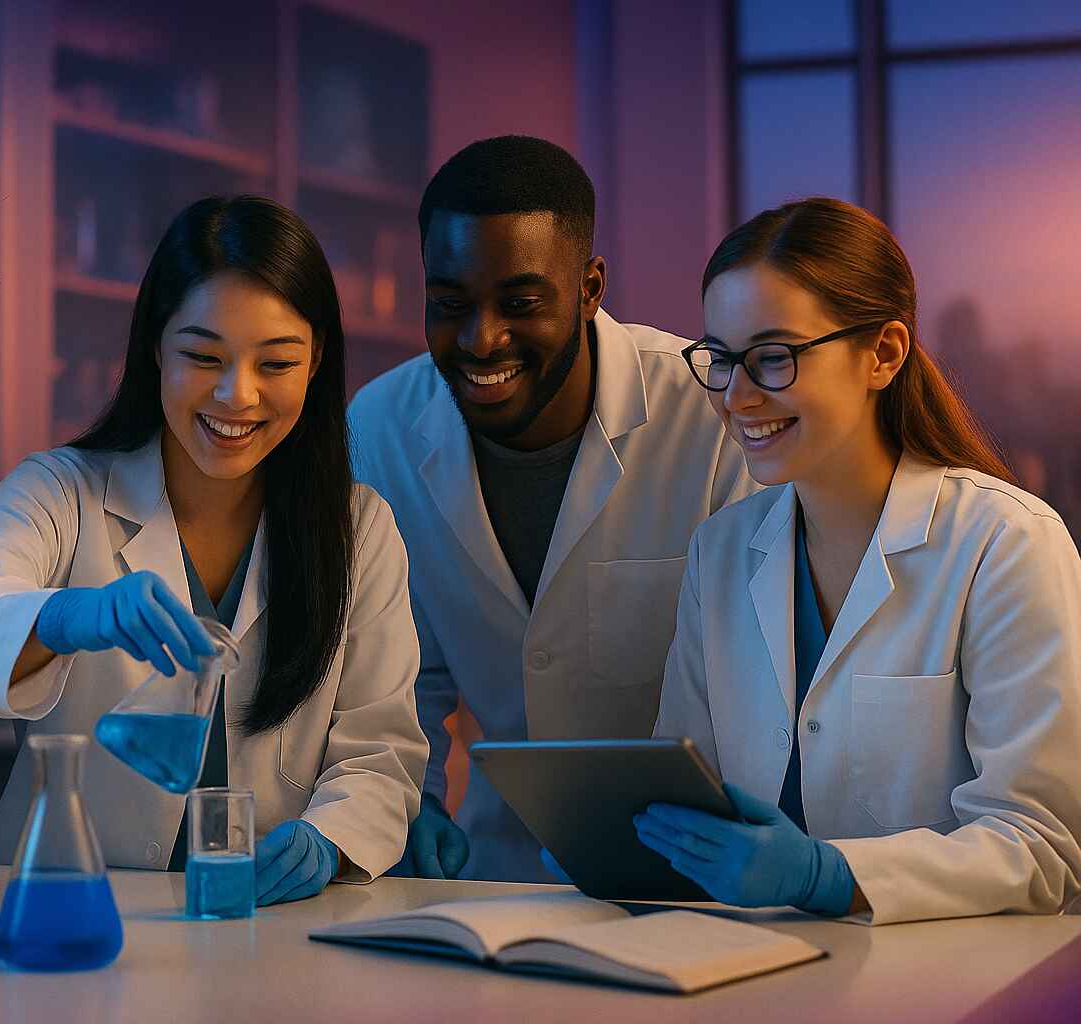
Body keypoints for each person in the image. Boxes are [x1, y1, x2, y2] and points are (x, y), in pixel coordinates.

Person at [0, 196, 427, 906]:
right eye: (202, 355)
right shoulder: (63, 490)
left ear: (315, 365)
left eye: (276, 363)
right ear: (155, 347)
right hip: (63, 909)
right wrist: (69, 617)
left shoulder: (359, 529)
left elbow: (380, 753)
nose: (236, 395)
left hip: (267, 928)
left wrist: (330, 839)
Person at [640, 197, 1081, 924]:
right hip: (752, 968)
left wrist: (826, 876)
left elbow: (1042, 844)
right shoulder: (720, 552)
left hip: (948, 984)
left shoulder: (1004, 543)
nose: (738, 396)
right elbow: (688, 789)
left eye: (774, 358)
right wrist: (621, 839)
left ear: (883, 353)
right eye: (720, 360)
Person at [347, 136, 754, 881]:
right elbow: (401, 682)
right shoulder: (380, 426)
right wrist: (408, 812)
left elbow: (757, 681)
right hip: (489, 873)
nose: (481, 339)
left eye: (520, 304)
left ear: (591, 287)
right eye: (449, 305)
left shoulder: (709, 414)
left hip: (698, 874)